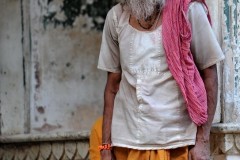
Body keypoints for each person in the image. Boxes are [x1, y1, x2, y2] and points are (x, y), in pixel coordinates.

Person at [97, 0, 225, 159]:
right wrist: (105, 146)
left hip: (178, 141)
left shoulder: (187, 11)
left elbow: (209, 74)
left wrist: (203, 141)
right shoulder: (116, 16)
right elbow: (112, 87)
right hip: (126, 143)